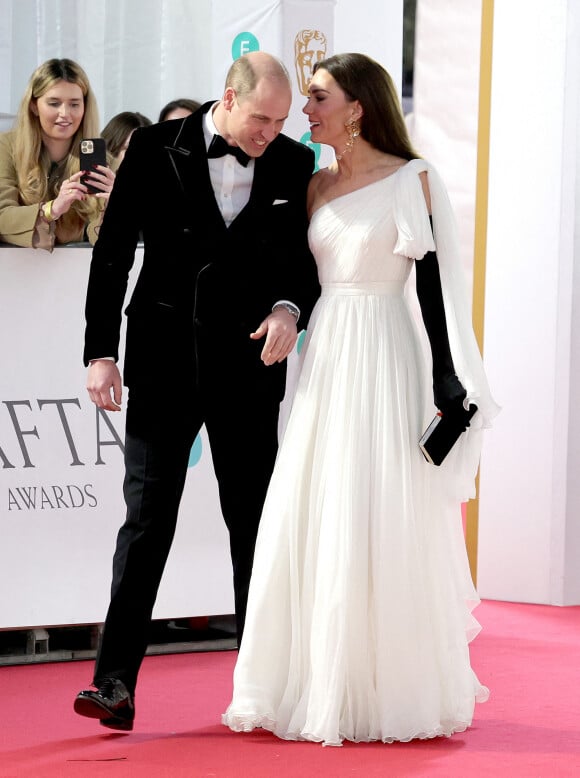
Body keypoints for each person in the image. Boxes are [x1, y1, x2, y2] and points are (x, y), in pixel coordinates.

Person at [222, 53, 500, 745]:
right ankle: (320, 684)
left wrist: (446, 376)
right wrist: (286, 310)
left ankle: (386, 688)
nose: (305, 111)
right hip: (328, 360)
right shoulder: (312, 186)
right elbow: (304, 280)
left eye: (317, 97)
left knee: (379, 509)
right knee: (316, 505)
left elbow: (431, 286)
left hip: (386, 351)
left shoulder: (414, 179)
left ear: (357, 107)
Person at [73, 51, 320, 732]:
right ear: (229, 98)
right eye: (262, 118)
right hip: (161, 363)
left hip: (247, 370)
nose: (272, 131)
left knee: (253, 529)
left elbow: (304, 262)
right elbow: (113, 251)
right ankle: (114, 683)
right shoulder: (155, 148)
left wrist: (289, 310)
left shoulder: (295, 164)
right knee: (147, 523)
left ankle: (261, 686)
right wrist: (100, 352)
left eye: (281, 119)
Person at [0, 58, 115, 250]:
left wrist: (116, 206)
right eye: (54, 103)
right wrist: (51, 210)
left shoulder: (104, 161)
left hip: (79, 273)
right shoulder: (7, 147)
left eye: (74, 104)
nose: (65, 113)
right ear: (34, 106)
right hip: (17, 272)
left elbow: (110, 244)